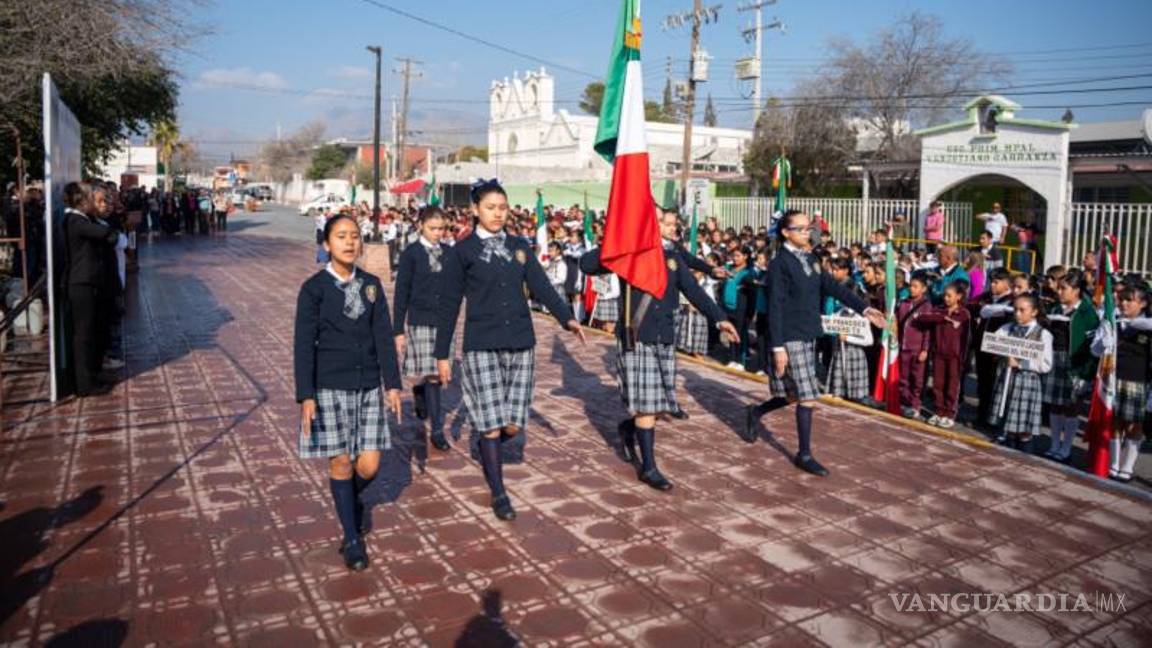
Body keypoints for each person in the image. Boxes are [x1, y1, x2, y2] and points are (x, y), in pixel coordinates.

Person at [435, 179, 584, 521]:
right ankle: (499, 491)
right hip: (481, 344)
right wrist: (443, 354)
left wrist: (566, 318)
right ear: (475, 210)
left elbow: (541, 286)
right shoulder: (462, 252)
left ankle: (488, 448)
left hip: (520, 341)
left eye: (502, 207)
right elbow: (449, 305)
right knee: (490, 425)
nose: (498, 214)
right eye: (490, 207)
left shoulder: (519, 246)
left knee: (512, 425)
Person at [580, 209, 737, 491]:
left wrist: (719, 318)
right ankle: (649, 467)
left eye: (674, 224)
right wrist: (619, 243)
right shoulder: (632, 254)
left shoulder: (673, 257)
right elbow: (587, 264)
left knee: (658, 402)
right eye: (666, 223)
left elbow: (693, 291)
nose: (672, 228)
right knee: (649, 405)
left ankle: (628, 429)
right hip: (637, 336)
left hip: (664, 336)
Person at [294, 214, 403, 571]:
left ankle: (347, 501)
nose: (349, 242)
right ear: (326, 244)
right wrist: (305, 395)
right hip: (329, 386)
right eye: (341, 236)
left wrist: (393, 385)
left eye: (354, 236)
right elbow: (303, 346)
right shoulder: (313, 290)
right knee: (340, 461)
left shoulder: (372, 285)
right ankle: (352, 537)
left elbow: (383, 338)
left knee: (369, 465)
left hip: (369, 385)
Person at [744, 211, 886, 476]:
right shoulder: (779, 263)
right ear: (786, 232)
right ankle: (804, 454)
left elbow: (833, 287)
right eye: (801, 228)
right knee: (808, 397)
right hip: (789, 336)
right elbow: (774, 307)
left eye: (809, 228)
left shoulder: (810, 258)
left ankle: (756, 412)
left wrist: (864, 310)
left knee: (794, 394)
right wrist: (777, 346)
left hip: (809, 332)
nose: (807, 232)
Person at [393, 207, 454, 452]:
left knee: (439, 377)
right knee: (433, 376)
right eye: (433, 228)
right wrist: (398, 330)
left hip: (444, 322)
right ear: (421, 226)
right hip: (420, 320)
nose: (438, 233)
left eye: (441, 229)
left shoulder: (450, 253)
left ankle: (422, 392)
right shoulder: (411, 253)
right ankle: (437, 430)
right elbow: (401, 293)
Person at [62, 183, 119, 397]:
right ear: (82, 201)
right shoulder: (75, 221)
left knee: (91, 332)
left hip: (89, 283)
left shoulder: (84, 220)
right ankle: (84, 385)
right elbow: (107, 234)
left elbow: (111, 234)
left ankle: (91, 375)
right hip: (81, 284)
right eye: (91, 199)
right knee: (83, 335)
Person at [1092, 285, 1151, 482]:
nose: (1124, 303)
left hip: (1138, 381)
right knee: (1115, 421)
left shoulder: (1147, 326)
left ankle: (1128, 466)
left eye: (1130, 300)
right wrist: (1103, 342)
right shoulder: (1112, 322)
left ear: (1142, 304)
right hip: (1113, 378)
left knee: (1134, 424)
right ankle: (1114, 463)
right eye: (1122, 299)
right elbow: (1095, 351)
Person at [1042, 269, 1099, 462]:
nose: (1059, 292)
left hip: (1075, 364)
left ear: (1076, 290)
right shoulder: (1055, 309)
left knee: (1072, 406)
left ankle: (1066, 447)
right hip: (1055, 360)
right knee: (1055, 405)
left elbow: (1093, 348)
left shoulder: (1087, 313)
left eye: (1063, 288)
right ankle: (1054, 444)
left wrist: (1085, 375)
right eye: (1058, 288)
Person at [988, 294, 1053, 452]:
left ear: (1034, 311)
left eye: (1022, 310)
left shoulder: (1043, 334)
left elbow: (1046, 365)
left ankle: (1025, 454)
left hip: (1027, 383)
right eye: (1015, 309)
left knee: (1024, 428)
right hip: (1008, 381)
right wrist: (1005, 353)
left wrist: (1021, 363)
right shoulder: (1007, 328)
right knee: (1008, 425)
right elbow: (993, 343)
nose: (1017, 313)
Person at [919, 282, 972, 428]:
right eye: (945, 295)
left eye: (950, 296)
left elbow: (967, 339)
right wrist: (942, 318)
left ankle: (949, 413)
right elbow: (922, 317)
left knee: (952, 385)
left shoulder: (963, 314)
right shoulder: (939, 311)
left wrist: (964, 359)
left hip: (955, 357)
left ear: (959, 296)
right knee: (938, 384)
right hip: (938, 354)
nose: (946, 299)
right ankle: (938, 411)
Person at [823, 256, 871, 403]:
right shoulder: (830, 284)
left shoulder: (853, 286)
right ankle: (837, 388)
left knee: (852, 370)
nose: (833, 272)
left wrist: (849, 336)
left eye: (836, 270)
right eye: (832, 269)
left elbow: (867, 339)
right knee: (833, 360)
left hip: (852, 341)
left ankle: (855, 393)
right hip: (834, 329)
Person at [973, 268, 1016, 427]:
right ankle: (982, 415)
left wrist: (1001, 310)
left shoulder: (1012, 300)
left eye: (996, 282)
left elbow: (1012, 315)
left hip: (999, 348)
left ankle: (994, 419)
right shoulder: (986, 298)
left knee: (997, 383)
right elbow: (973, 306)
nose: (992, 285)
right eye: (991, 281)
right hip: (982, 345)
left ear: (1007, 283)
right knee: (983, 382)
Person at [897, 274, 934, 419]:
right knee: (903, 376)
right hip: (903, 347)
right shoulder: (904, 303)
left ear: (923, 289)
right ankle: (905, 401)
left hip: (917, 349)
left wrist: (925, 349)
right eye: (910, 286)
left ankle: (915, 404)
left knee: (917, 379)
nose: (911, 289)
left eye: (915, 286)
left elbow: (927, 330)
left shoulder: (926, 306)